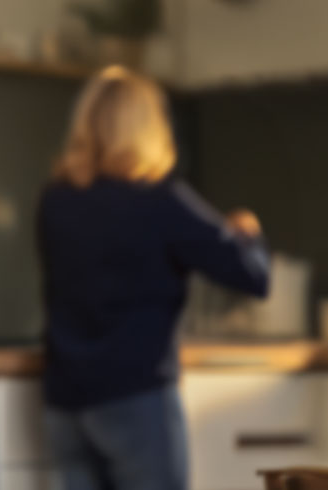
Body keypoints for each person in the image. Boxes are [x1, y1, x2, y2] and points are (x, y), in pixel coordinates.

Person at [36, 66, 270, 490]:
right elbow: (251, 277)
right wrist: (247, 234)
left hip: (65, 402)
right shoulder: (160, 201)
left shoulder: (56, 201)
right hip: (134, 397)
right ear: (149, 128)